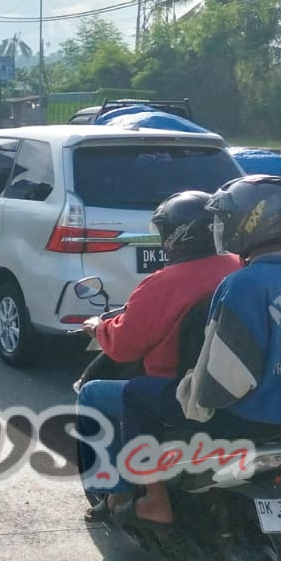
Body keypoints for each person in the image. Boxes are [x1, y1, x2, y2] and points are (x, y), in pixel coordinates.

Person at [114, 175, 281, 528]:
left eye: (226, 219)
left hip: (249, 416)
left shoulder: (242, 284)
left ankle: (155, 500)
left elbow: (226, 370)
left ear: (247, 224)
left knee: (136, 393)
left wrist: (194, 396)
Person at [74, 191, 241, 522]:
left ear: (177, 236)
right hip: (232, 384)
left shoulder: (164, 283)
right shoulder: (239, 266)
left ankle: (116, 492)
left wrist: (97, 328)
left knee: (91, 393)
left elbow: (124, 346)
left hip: (178, 389)